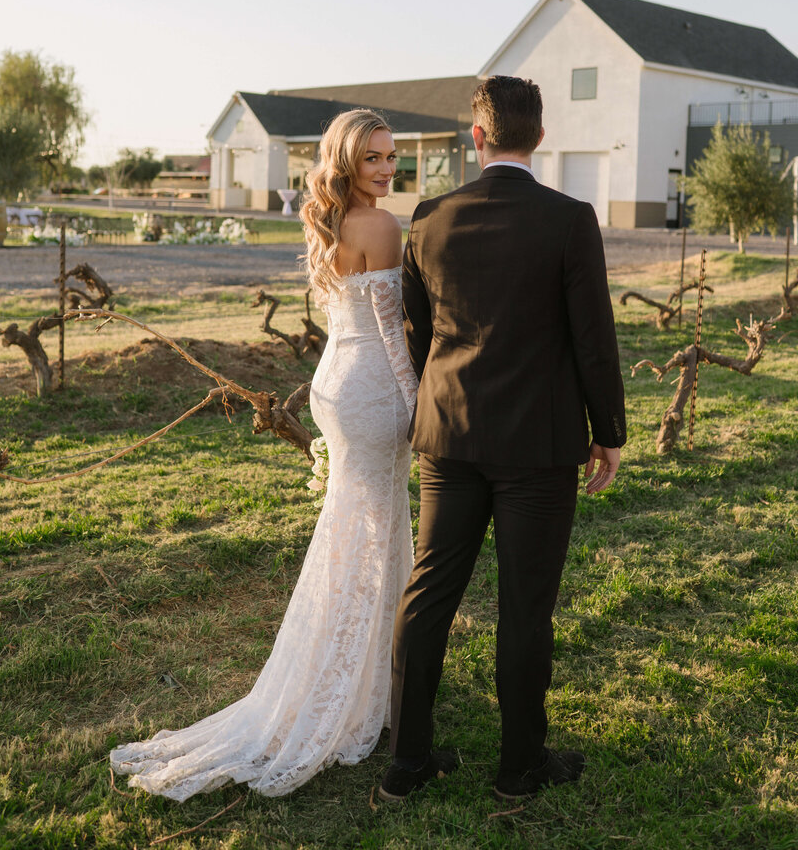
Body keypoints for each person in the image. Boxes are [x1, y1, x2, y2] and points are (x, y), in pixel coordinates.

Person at [110, 108, 416, 799]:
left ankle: (359, 671)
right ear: (346, 161)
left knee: (351, 533)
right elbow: (394, 337)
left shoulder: (331, 221)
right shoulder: (383, 225)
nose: (387, 167)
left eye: (392, 156)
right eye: (373, 158)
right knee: (376, 534)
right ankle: (365, 689)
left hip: (332, 386)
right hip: (372, 392)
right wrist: (421, 402)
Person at [379, 75, 626, 804]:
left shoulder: (428, 217)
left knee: (428, 595)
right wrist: (607, 431)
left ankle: (408, 762)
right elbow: (594, 337)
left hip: (448, 435)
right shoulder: (570, 218)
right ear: (539, 138)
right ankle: (518, 769)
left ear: (477, 137)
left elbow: (420, 334)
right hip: (539, 445)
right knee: (525, 607)